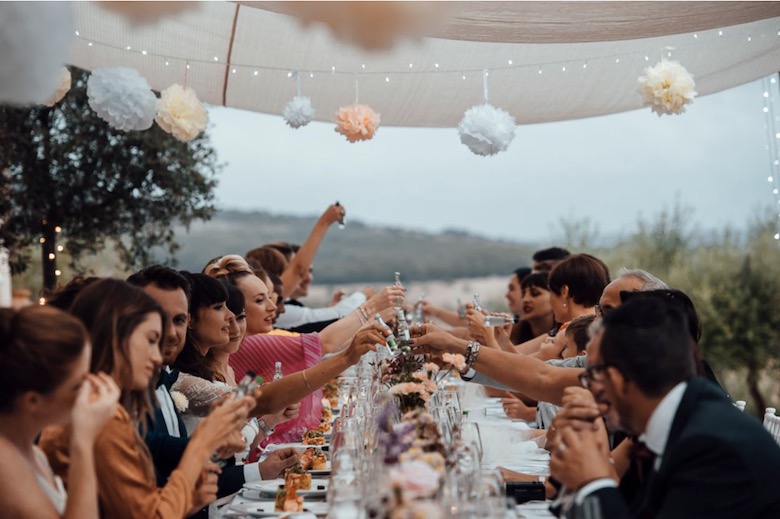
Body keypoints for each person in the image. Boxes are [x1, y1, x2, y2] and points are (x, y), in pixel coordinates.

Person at [38, 278, 252, 519]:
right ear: (114, 338)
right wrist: (202, 444)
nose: (156, 355)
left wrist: (189, 499)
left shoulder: (106, 409)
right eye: (150, 340)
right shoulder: (96, 416)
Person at [550, 298, 780, 518]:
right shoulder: (675, 421)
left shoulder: (713, 447)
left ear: (616, 379)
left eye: (593, 374)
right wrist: (579, 475)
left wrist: (593, 482)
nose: (590, 387)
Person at [204, 254, 402, 443]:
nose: (273, 307)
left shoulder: (248, 347)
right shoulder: (252, 344)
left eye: (272, 297)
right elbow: (324, 343)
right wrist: (371, 308)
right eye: (259, 300)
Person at [0, 306, 120, 519]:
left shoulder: (31, 452)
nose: (88, 391)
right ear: (33, 401)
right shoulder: (4, 463)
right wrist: (83, 441)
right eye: (77, 385)